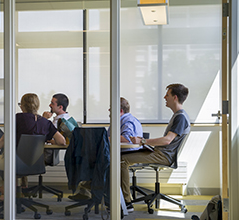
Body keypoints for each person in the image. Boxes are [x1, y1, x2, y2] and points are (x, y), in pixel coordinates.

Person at [0, 93, 66, 205]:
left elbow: (4, 139)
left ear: (23, 106)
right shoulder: (45, 122)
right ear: (37, 106)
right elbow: (62, 141)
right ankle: (11, 192)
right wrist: (47, 140)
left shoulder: (17, 118)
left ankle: (6, 192)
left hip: (15, 163)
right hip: (35, 164)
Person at [122, 83, 190, 212]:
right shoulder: (178, 115)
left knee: (122, 161)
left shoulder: (180, 117)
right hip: (160, 152)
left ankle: (126, 202)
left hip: (163, 156)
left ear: (175, 97)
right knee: (121, 157)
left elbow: (167, 140)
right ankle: (121, 198)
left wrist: (143, 141)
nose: (165, 97)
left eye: (167, 95)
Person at [69, 97, 143, 201]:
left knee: (93, 159)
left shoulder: (127, 121)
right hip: (119, 152)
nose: (109, 111)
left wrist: (102, 138)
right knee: (92, 157)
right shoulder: (120, 120)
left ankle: (90, 187)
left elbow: (127, 138)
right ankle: (89, 188)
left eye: (111, 108)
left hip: (126, 153)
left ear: (120, 111)